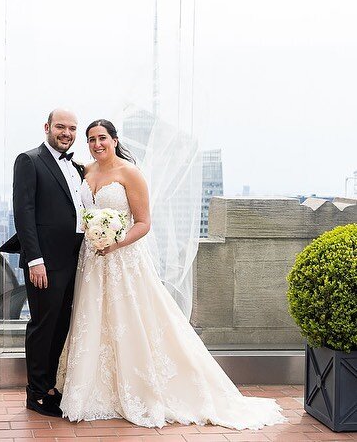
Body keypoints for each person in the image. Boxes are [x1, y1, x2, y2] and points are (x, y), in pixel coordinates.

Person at [59, 119, 286, 430]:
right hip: (92, 261)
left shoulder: (130, 173)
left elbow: (143, 223)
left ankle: (141, 389)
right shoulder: (87, 171)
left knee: (131, 321)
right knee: (94, 319)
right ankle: (95, 388)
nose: (97, 144)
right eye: (91, 140)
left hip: (123, 260)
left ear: (114, 139)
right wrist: (94, 237)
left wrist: (114, 243)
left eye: (102, 138)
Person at [0, 109, 84, 417]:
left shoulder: (76, 167)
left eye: (72, 128)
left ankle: (50, 386)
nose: (66, 132)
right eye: (60, 126)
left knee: (62, 325)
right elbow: (24, 213)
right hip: (45, 263)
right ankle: (35, 393)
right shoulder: (29, 160)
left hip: (77, 260)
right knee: (42, 326)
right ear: (47, 127)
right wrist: (35, 260)